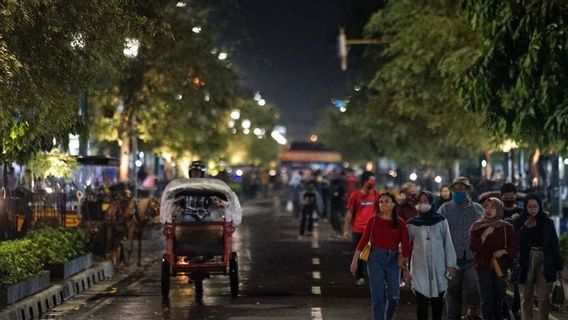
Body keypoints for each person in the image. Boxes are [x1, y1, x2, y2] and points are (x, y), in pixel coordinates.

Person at [350, 192, 411, 320]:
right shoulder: (373, 220)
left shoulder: (400, 223)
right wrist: (355, 261)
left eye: (387, 201)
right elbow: (363, 241)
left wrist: (406, 268)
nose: (383, 204)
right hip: (375, 259)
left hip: (393, 261)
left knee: (394, 297)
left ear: (393, 204)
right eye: (381, 201)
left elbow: (406, 246)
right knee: (378, 297)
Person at [438, 176, 483, 320]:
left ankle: (473, 312)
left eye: (462, 189)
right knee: (452, 290)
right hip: (452, 258)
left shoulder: (477, 209)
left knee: (474, 287)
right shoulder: (445, 208)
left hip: (472, 256)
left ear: (467, 190)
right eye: (456, 189)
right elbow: (438, 230)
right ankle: (453, 316)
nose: (458, 192)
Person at [407, 191, 457, 320]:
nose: (423, 204)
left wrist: (450, 264)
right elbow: (405, 244)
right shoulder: (412, 224)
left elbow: (448, 242)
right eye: (420, 201)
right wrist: (404, 265)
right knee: (421, 302)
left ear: (431, 202)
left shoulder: (441, 221)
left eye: (426, 201)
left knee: (438, 302)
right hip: (420, 266)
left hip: (438, 266)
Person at [516, 193, 564, 320]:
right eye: (530, 207)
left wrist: (559, 266)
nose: (532, 209)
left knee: (544, 295)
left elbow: (554, 243)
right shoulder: (521, 220)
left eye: (535, 206)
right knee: (526, 295)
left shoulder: (547, 221)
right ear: (525, 207)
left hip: (545, 258)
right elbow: (516, 241)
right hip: (527, 258)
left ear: (540, 206)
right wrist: (525, 228)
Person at [470, 197, 518, 320]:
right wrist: (485, 234)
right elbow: (473, 247)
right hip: (483, 266)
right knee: (486, 299)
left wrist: (503, 251)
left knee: (499, 297)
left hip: (500, 268)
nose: (489, 210)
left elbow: (514, 248)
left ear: (499, 209)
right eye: (486, 207)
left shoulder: (507, 227)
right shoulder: (478, 226)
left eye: (493, 207)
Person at [343, 171, 379, 286]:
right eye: (371, 180)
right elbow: (349, 213)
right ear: (365, 181)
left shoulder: (377, 195)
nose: (373, 182)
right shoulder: (355, 195)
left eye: (374, 180)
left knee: (370, 254)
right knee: (358, 254)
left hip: (372, 230)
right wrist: (346, 229)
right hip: (358, 229)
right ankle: (360, 277)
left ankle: (371, 276)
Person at [500, 182, 523, 319]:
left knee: (517, 283)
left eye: (511, 197)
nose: (509, 199)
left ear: (515, 196)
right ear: (501, 196)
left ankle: (516, 309)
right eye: (506, 197)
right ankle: (504, 313)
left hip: (517, 253)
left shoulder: (521, 213)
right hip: (500, 253)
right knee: (500, 284)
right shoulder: (497, 213)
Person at [329, 173, 346, 238]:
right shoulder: (333, 184)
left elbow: (341, 194)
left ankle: (339, 232)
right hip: (333, 203)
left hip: (338, 203)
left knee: (335, 218)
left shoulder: (341, 185)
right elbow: (331, 192)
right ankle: (336, 231)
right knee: (332, 218)